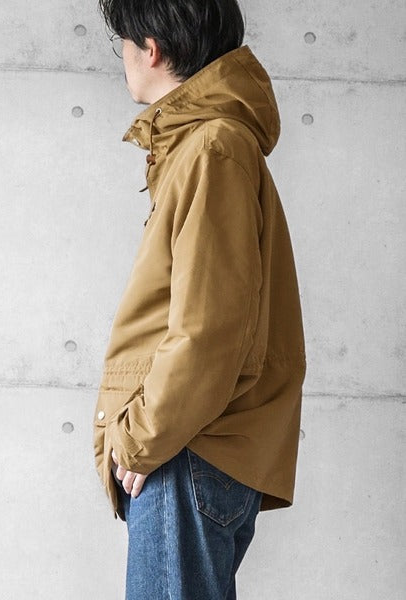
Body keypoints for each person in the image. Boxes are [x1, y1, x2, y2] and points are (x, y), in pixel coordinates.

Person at [93, 1, 306, 598]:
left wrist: (140, 438)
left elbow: (209, 327)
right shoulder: (205, 147)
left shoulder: (212, 148)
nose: (123, 57)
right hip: (192, 446)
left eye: (122, 42)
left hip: (185, 447)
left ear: (151, 48)